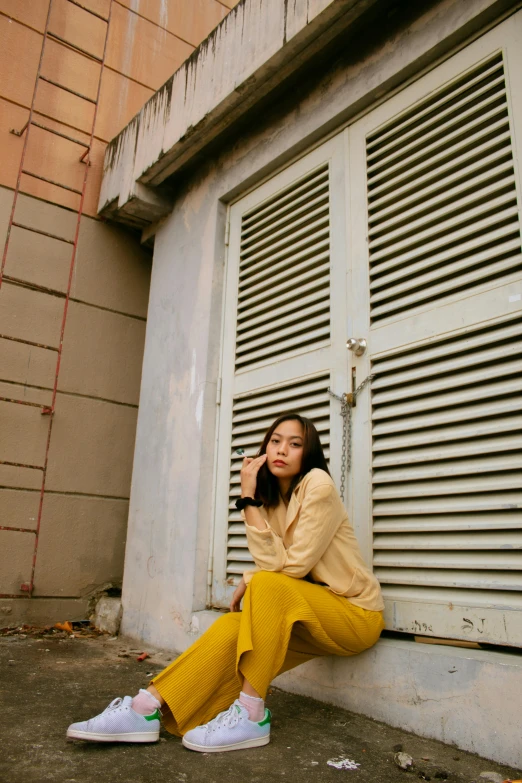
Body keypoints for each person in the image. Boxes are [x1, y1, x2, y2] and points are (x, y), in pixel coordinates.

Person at [66, 413, 384, 753]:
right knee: (233, 626)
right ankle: (144, 709)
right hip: (311, 615)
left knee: (266, 586)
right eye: (275, 441)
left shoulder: (318, 484)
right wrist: (251, 498)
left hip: (355, 615)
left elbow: (290, 566)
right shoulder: (273, 498)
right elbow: (275, 565)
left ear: (309, 454)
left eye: (295, 444)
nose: (282, 450)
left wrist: (250, 571)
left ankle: (250, 716)